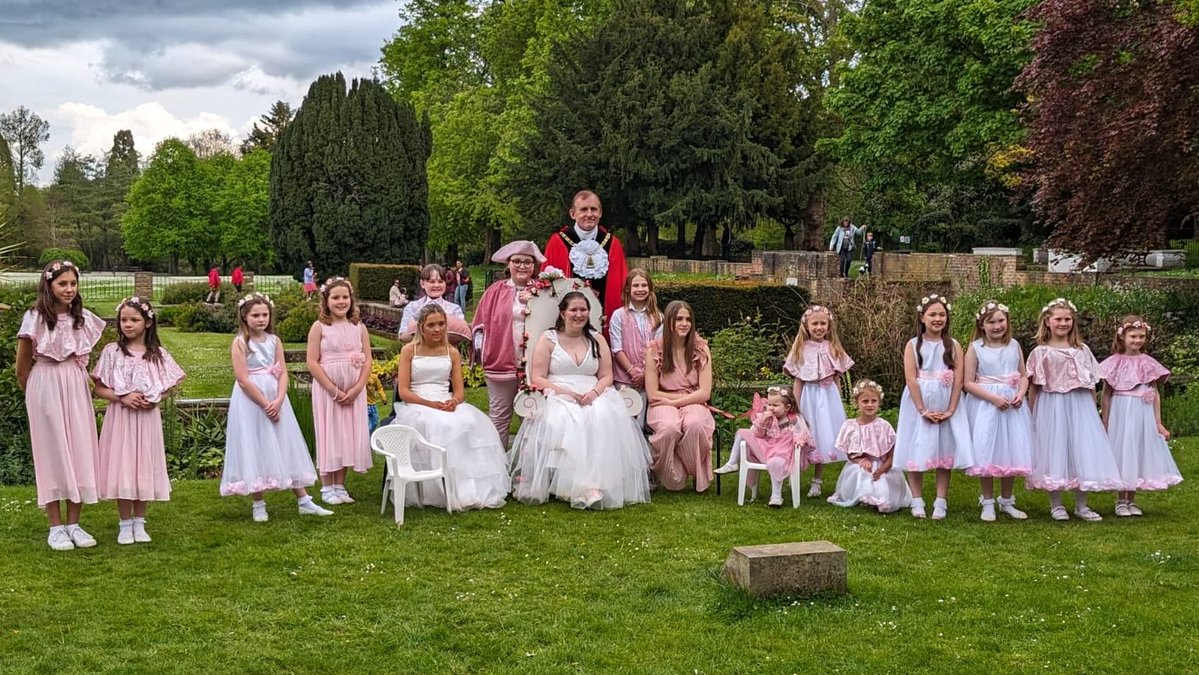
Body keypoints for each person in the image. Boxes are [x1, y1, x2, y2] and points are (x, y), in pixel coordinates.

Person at [509, 292, 652, 510]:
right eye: (573, 310)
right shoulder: (549, 339)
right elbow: (538, 376)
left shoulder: (597, 339)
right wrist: (565, 392)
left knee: (602, 416)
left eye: (583, 310)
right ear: (563, 313)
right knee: (568, 419)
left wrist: (594, 393)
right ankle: (577, 485)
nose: (578, 314)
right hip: (558, 392)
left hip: (593, 391)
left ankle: (596, 483)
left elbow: (607, 376)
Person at [16, 260, 106, 550]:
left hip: (74, 383)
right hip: (45, 383)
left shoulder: (82, 319)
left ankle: (74, 524)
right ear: (49, 286)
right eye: (62, 284)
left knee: (79, 447)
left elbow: (83, 359)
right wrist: (34, 393)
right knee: (52, 451)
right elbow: (22, 365)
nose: (68, 289)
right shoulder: (36, 318)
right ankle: (55, 526)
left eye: (73, 284)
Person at [220, 293, 333, 520]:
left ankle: (303, 499)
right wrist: (264, 404)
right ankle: (258, 503)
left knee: (285, 442)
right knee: (255, 444)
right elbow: (242, 379)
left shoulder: (274, 341)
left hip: (275, 396)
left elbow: (282, 373)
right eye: (255, 315)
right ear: (244, 316)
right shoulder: (241, 343)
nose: (261, 319)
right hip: (251, 400)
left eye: (264, 314)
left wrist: (279, 399)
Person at [392, 304, 510, 511]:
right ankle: (435, 489)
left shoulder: (452, 352)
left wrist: (453, 402)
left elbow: (459, 392)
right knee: (438, 425)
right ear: (421, 327)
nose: (437, 329)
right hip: (418, 402)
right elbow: (404, 391)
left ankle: (465, 488)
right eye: (431, 325)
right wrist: (430, 404)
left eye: (441, 324)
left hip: (444, 399)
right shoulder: (409, 350)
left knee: (467, 423)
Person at [92, 297, 185, 545]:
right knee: (123, 466)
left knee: (142, 465)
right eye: (123, 320)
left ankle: (140, 522)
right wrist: (122, 397)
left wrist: (156, 399)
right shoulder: (112, 352)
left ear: (147, 322)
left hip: (146, 420)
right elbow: (99, 388)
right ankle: (124, 523)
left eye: (134, 319)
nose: (128, 325)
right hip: (121, 418)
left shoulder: (157, 355)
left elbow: (171, 385)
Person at [1026, 298, 1122, 521]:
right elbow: (1035, 387)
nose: (1063, 323)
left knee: (1082, 449)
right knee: (1054, 450)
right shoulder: (1041, 352)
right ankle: (1056, 504)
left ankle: (1082, 504)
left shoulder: (1082, 350)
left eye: (1067, 319)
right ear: (1047, 322)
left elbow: (1090, 384)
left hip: (1079, 405)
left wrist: (1093, 410)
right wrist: (1031, 413)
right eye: (1058, 319)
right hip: (1052, 405)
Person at [895, 293, 973, 520]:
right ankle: (917, 499)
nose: (937, 319)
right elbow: (911, 378)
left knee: (944, 449)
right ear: (922, 318)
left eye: (942, 314)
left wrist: (951, 409)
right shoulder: (912, 345)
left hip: (946, 400)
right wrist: (922, 410)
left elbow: (958, 379)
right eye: (932, 314)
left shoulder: (954, 345)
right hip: (919, 401)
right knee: (915, 446)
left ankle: (941, 501)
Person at [1099, 316, 1182, 517]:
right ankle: (1120, 500)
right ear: (1122, 337)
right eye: (1133, 336)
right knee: (1123, 450)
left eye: (1141, 336)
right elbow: (1106, 395)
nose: (1137, 340)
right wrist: (1105, 421)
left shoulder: (1148, 363)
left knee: (1137, 451)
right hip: (1121, 411)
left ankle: (1131, 499)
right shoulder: (1114, 363)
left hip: (1142, 413)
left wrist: (1158, 422)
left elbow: (1155, 394)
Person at [962, 301, 1033, 521]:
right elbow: (968, 382)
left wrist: (1021, 393)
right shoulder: (976, 348)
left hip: (1012, 405)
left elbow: (1022, 375)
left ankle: (1007, 500)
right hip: (987, 406)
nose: (997, 326)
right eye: (991, 322)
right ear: (982, 325)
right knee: (987, 450)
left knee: (1010, 450)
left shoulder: (1014, 346)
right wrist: (993, 398)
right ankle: (988, 501)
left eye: (1001, 320)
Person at [472, 241, 545, 447]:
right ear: (508, 264)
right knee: (499, 416)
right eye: (517, 261)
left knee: (532, 416)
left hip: (533, 365)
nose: (522, 266)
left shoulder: (543, 291)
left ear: (534, 266)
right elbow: (479, 323)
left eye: (527, 262)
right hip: (500, 361)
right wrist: (482, 350)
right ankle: (497, 466)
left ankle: (526, 470)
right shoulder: (495, 291)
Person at [306, 277, 372, 505]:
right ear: (326, 300)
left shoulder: (359, 327)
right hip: (328, 392)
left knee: (347, 435)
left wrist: (356, 389)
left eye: (345, 297)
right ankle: (326, 486)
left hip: (353, 393)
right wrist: (334, 390)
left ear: (351, 300)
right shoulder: (320, 327)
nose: (341, 301)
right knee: (329, 433)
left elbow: (367, 361)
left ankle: (340, 485)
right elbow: (312, 362)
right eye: (335, 297)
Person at [783, 304, 853, 497]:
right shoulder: (801, 349)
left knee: (823, 437)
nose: (819, 327)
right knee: (803, 435)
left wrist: (838, 403)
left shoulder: (833, 348)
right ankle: (792, 474)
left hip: (828, 398)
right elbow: (798, 381)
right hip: (809, 398)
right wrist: (795, 408)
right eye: (815, 323)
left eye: (823, 323)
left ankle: (817, 481)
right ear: (807, 326)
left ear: (829, 326)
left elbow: (837, 378)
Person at [646, 300, 716, 493]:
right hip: (661, 400)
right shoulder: (654, 350)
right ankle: (672, 474)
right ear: (669, 322)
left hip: (693, 399)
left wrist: (674, 401)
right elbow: (652, 393)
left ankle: (693, 470)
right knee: (669, 427)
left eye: (688, 319)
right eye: (679, 319)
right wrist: (669, 401)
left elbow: (704, 392)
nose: (684, 323)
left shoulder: (701, 349)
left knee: (695, 424)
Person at [543, 190, 629, 326]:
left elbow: (621, 284)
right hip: (567, 322)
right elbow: (546, 286)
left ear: (600, 213)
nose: (589, 214)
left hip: (604, 319)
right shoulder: (557, 242)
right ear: (572, 214)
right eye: (583, 209)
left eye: (594, 209)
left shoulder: (613, 243)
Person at [716, 387, 813, 507]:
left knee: (775, 463)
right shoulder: (768, 417)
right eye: (769, 404)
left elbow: (802, 432)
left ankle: (776, 496)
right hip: (767, 446)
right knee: (742, 433)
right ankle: (732, 463)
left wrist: (799, 440)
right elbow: (757, 434)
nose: (771, 408)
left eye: (775, 405)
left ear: (787, 407)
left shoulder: (794, 419)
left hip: (782, 450)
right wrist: (763, 421)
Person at [827, 380, 912, 513]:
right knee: (861, 472)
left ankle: (879, 499)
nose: (869, 405)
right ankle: (863, 497)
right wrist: (861, 460)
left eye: (873, 401)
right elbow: (850, 453)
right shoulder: (850, 426)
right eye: (865, 401)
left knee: (881, 482)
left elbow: (892, 454)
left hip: (883, 465)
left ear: (879, 403)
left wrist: (882, 470)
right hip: (861, 463)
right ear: (857, 403)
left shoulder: (884, 426)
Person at [609, 269, 662, 430]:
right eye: (636, 285)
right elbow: (616, 348)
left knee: (644, 423)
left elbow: (660, 349)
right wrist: (633, 372)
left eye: (644, 285)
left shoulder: (658, 317)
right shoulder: (618, 315)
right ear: (628, 289)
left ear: (650, 288)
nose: (640, 289)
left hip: (649, 379)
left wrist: (645, 374)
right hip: (624, 378)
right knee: (626, 422)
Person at [399, 264, 467, 341]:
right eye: (432, 282)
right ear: (422, 284)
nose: (437, 285)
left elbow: (463, 335)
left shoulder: (455, 309)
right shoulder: (412, 307)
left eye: (441, 281)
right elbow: (402, 336)